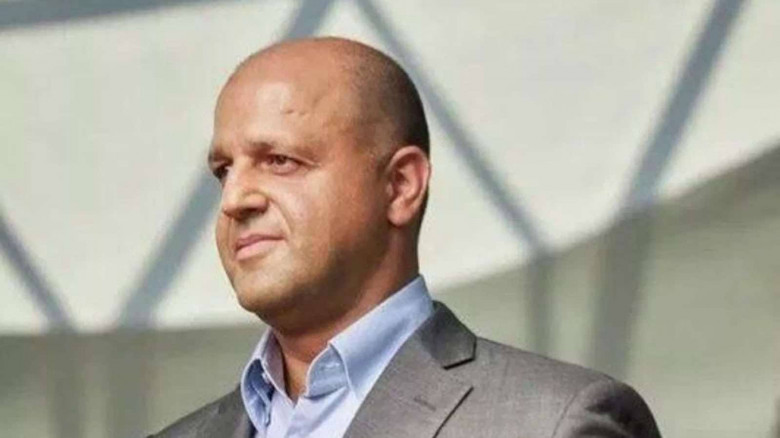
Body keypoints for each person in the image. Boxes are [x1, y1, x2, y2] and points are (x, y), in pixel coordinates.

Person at [150, 37, 661, 438]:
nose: (234, 199)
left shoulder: (554, 423)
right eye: (223, 170)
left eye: (280, 160)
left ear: (400, 186)